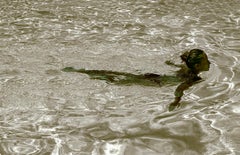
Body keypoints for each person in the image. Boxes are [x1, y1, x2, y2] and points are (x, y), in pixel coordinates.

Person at [62, 49, 210, 111]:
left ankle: (83, 71)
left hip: (154, 77)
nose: (209, 63)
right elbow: (179, 89)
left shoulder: (185, 68)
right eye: (206, 61)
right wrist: (175, 102)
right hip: (153, 82)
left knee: (116, 75)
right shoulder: (192, 77)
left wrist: (169, 64)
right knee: (114, 80)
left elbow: (174, 66)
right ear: (197, 66)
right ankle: (83, 72)